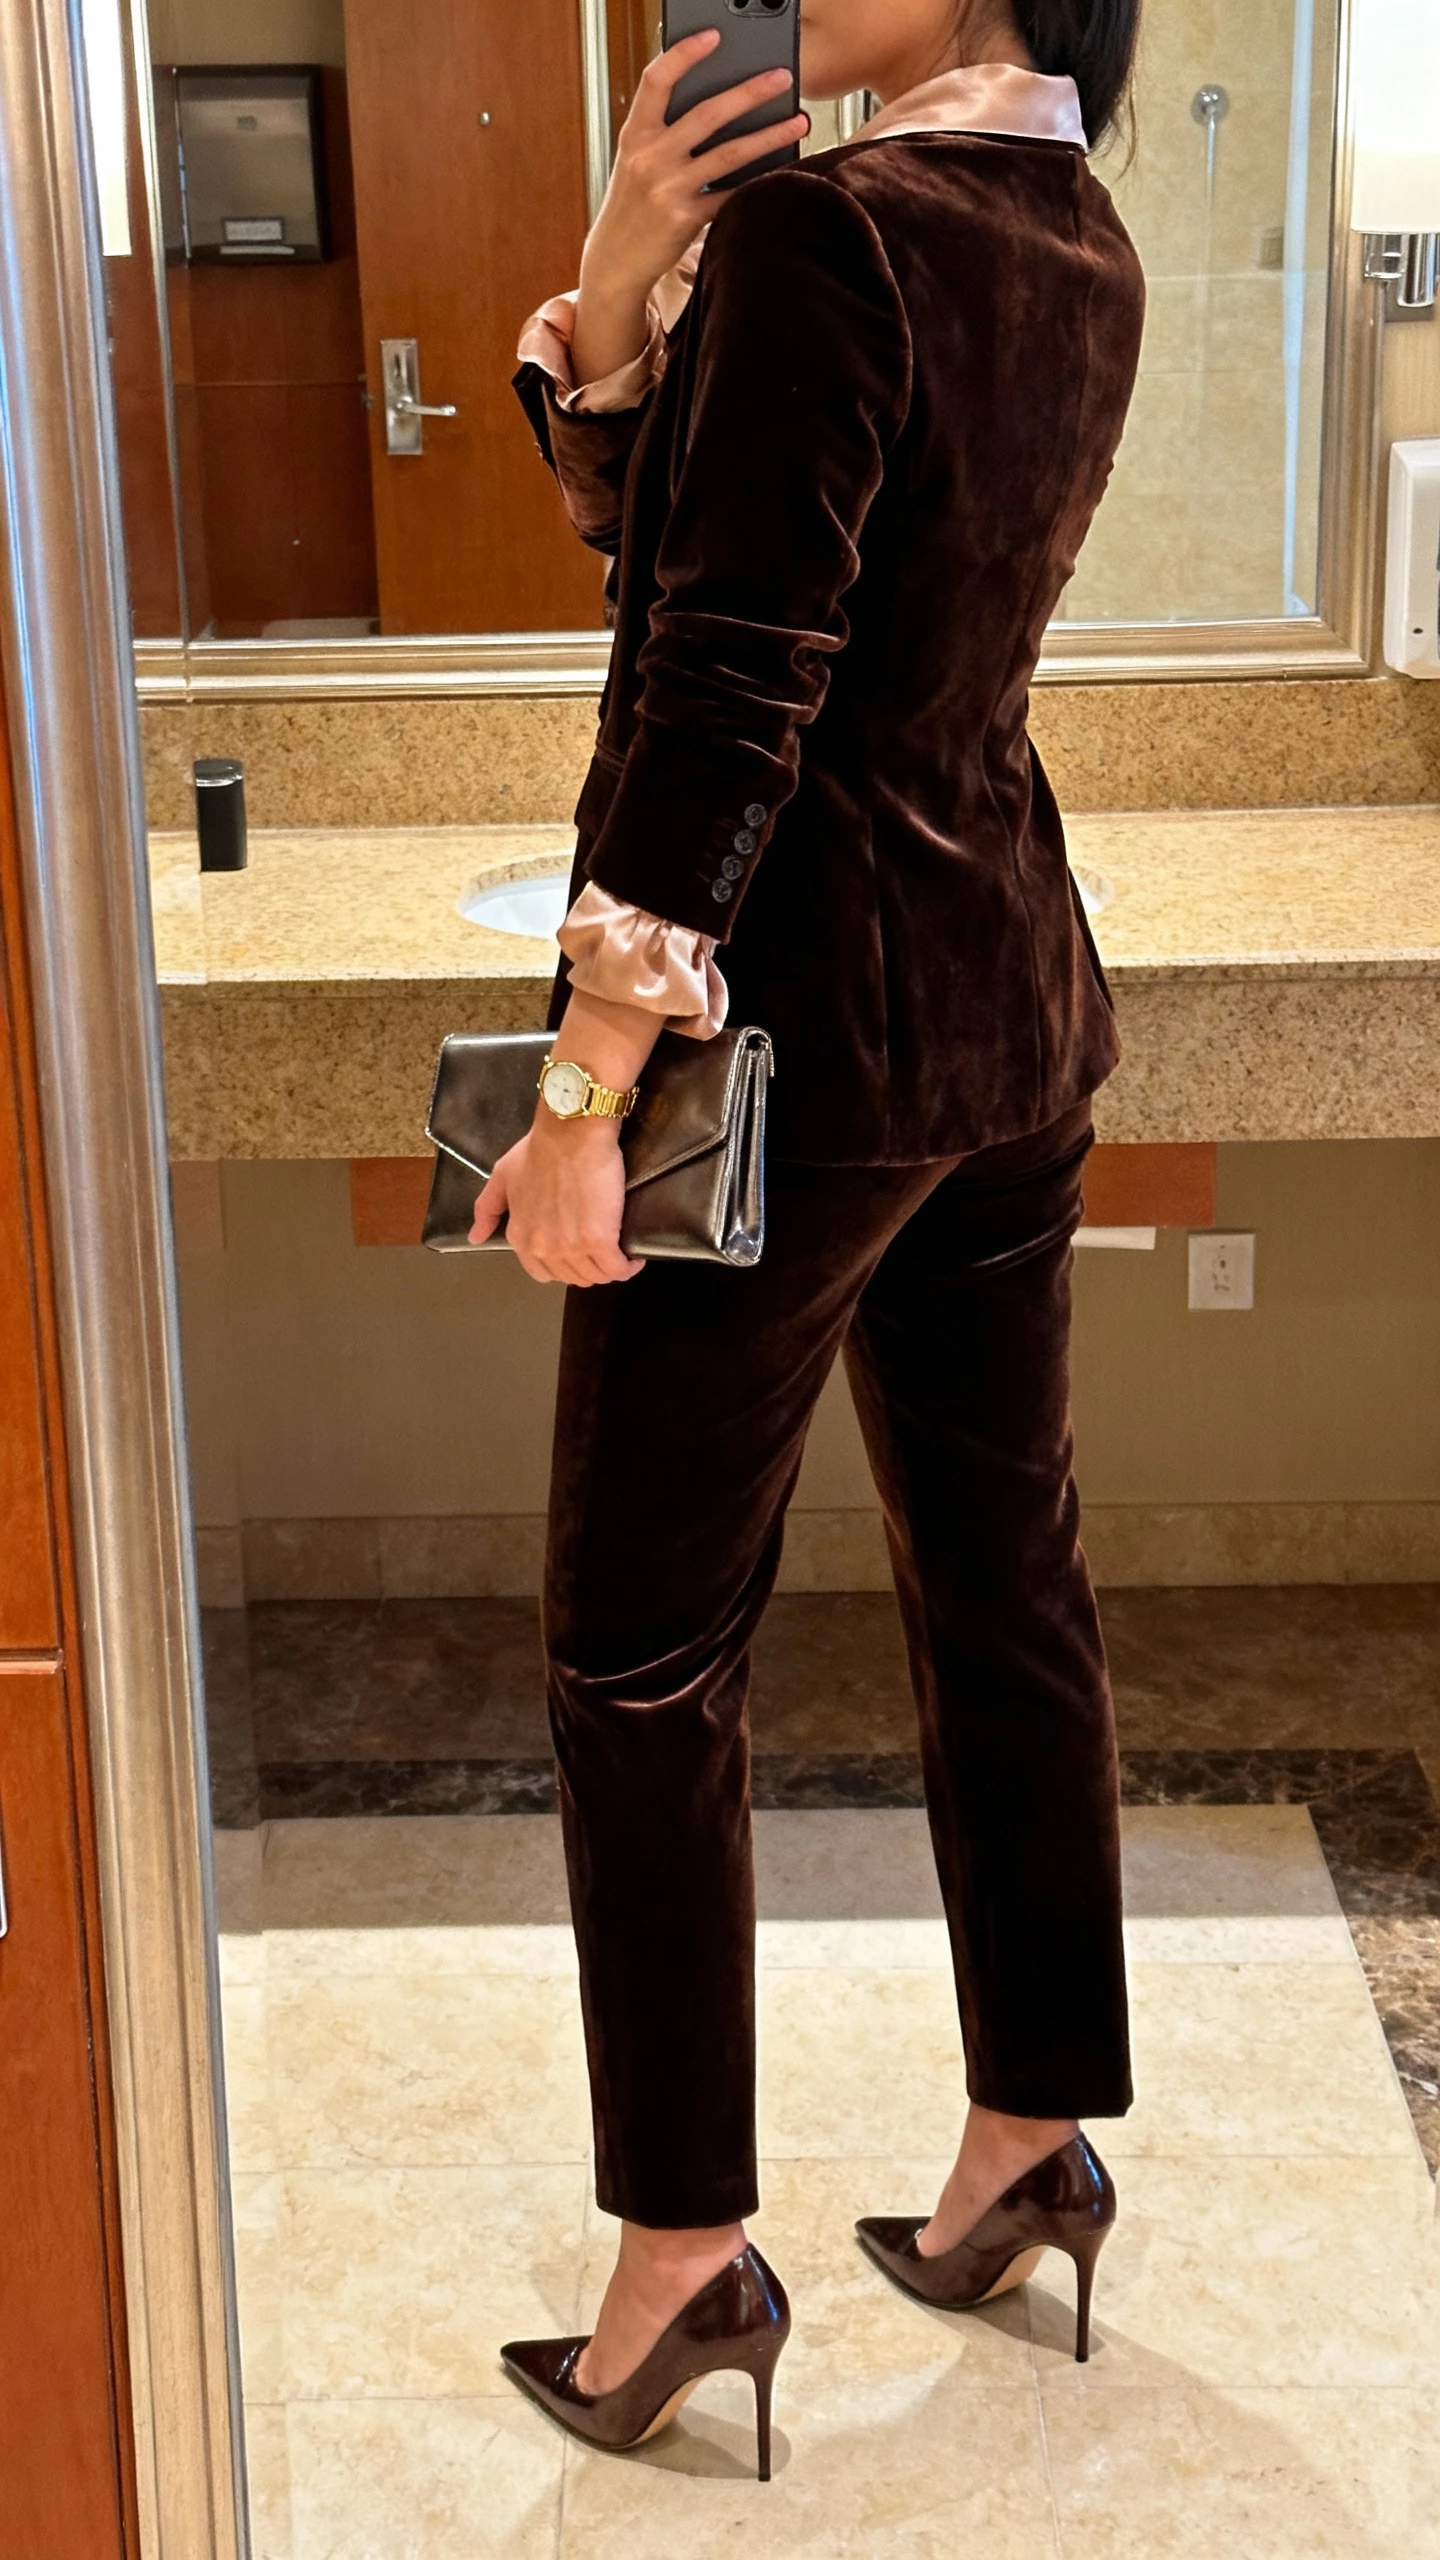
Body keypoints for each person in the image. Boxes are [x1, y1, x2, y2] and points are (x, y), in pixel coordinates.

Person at [484, 0, 1146, 2479]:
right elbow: (743, 559)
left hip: (797, 1057)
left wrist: (580, 1085)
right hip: (1007, 1014)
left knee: (641, 1644)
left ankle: (676, 2259)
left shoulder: (832, 234)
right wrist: (625, 286)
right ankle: (1029, 2140)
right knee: (1008, 1579)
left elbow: (722, 679)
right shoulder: (1068, 233)